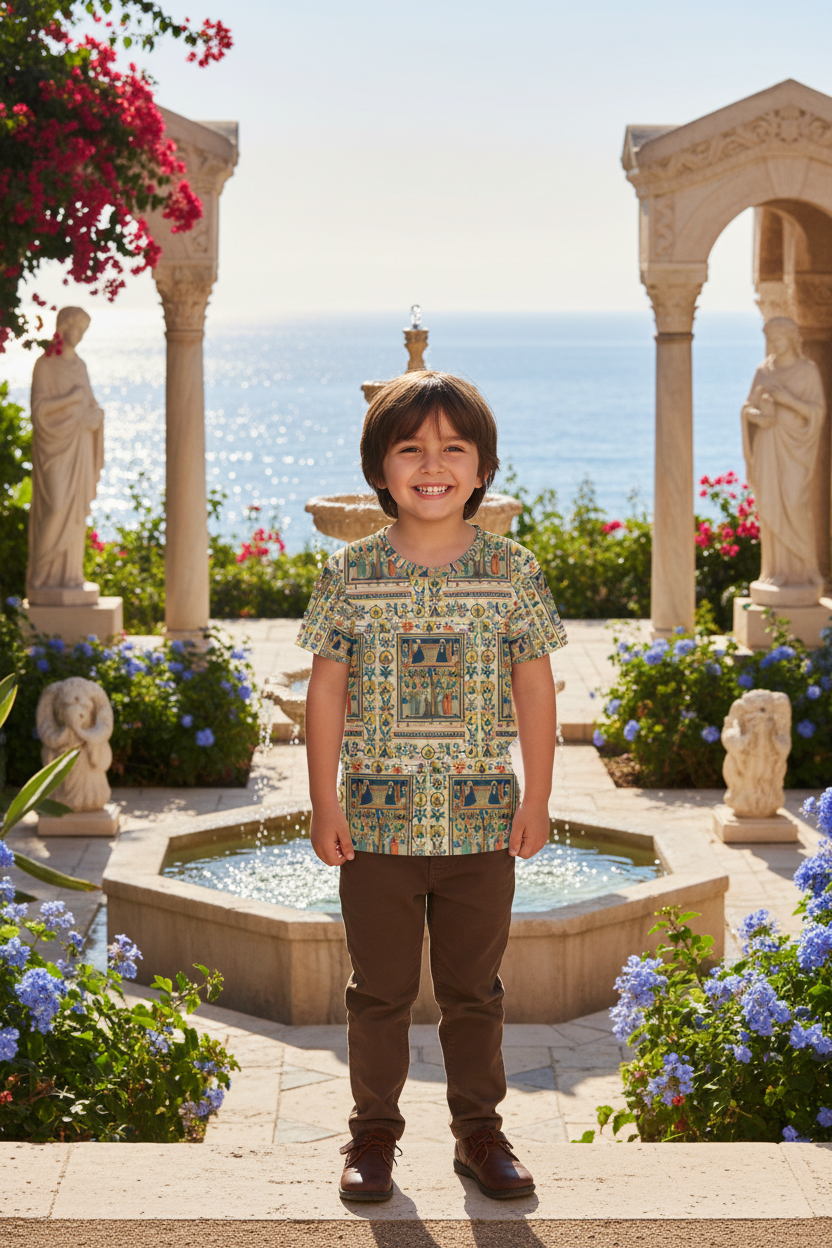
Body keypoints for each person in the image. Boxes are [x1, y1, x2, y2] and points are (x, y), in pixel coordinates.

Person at [298, 371, 565, 1203]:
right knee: (377, 993)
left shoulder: (513, 569)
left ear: (483, 468)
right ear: (379, 468)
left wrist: (537, 797)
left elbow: (535, 687)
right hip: (375, 828)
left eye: (453, 448)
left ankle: (479, 1135)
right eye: (410, 448)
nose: (432, 464)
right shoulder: (349, 571)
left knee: (474, 994)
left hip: (480, 826)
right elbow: (326, 692)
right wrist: (324, 801)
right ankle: (372, 1136)